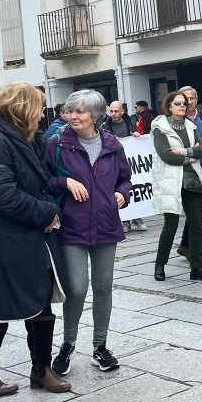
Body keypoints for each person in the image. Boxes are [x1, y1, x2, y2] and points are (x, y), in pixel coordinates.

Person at [0, 82, 70, 398]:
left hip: (28, 236)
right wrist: (47, 213)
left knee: (41, 299)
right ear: (22, 109)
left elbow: (41, 181)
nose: (41, 115)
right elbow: (3, 196)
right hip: (0, 240)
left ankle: (42, 370)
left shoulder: (27, 140)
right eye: (37, 108)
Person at [46, 90, 131, 375]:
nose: (73, 116)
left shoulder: (113, 145)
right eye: (71, 111)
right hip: (72, 225)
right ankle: (68, 345)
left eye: (80, 111)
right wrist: (65, 182)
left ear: (95, 115)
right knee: (77, 288)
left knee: (103, 287)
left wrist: (122, 193)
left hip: (106, 224)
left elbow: (125, 178)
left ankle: (100, 346)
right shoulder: (57, 143)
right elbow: (44, 180)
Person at [152, 91, 202, 282]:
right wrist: (190, 155)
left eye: (184, 103)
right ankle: (160, 265)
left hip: (192, 180)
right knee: (170, 225)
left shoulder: (190, 125)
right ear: (169, 106)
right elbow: (167, 156)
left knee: (196, 224)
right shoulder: (160, 127)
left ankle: (197, 267)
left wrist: (183, 152)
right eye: (177, 103)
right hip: (171, 180)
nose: (182, 106)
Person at [176, 86, 202, 267]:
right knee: (195, 214)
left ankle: (185, 245)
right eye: (186, 99)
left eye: (192, 98)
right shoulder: (177, 121)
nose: (189, 102)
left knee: (196, 211)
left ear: (196, 100)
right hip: (190, 171)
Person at [103, 100, 144, 233]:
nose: (113, 114)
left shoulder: (130, 123)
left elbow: (137, 135)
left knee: (135, 187)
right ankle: (125, 220)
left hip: (132, 161)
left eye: (116, 111)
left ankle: (137, 218)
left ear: (122, 111)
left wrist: (138, 136)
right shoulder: (105, 126)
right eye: (111, 111)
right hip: (115, 162)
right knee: (120, 188)